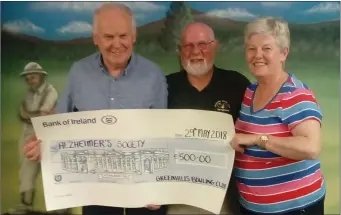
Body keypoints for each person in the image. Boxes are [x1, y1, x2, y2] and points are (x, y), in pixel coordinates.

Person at [22, 3, 168, 215]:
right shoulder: (78, 72)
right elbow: (60, 121)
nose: (117, 44)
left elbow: (163, 135)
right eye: (108, 37)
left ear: (134, 36)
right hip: (94, 188)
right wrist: (41, 141)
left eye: (123, 36)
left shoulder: (154, 74)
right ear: (95, 38)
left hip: (144, 190)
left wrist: (159, 186)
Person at [230, 17, 326, 215]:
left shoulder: (295, 94)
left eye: (266, 48)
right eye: (251, 49)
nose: (257, 55)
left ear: (283, 53)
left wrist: (259, 139)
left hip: (295, 208)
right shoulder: (250, 91)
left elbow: (311, 147)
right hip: (252, 207)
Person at [166, 22, 250, 215]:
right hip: (178, 197)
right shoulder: (165, 86)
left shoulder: (237, 84)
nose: (195, 51)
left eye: (203, 44)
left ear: (215, 46)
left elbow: (252, 134)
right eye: (188, 46)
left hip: (223, 196)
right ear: (180, 50)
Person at [8, 62, 59, 215]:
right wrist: (29, 115)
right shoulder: (30, 94)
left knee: (52, 169)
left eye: (33, 76)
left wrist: (28, 115)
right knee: (26, 170)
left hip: (47, 135)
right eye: (28, 78)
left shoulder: (51, 92)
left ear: (41, 76)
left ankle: (61, 207)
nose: (30, 80)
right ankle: (26, 204)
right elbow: (24, 114)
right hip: (28, 136)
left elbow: (42, 116)